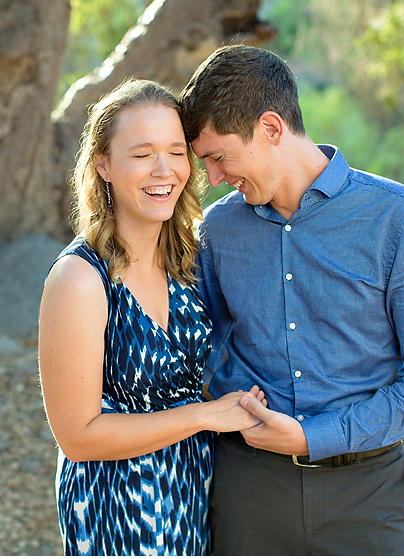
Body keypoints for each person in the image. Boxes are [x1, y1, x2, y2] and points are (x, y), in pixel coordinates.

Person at [178, 46, 404, 555]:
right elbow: (203, 342)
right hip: (248, 490)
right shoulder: (219, 230)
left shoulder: (395, 218)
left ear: (270, 127)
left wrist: (317, 437)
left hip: (370, 498)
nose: (214, 178)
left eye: (218, 157)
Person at [38, 79, 265, 556]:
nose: (164, 170)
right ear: (103, 165)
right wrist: (205, 415)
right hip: (118, 506)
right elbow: (77, 436)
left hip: (193, 490)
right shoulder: (80, 279)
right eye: (142, 154)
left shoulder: (193, 259)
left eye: (176, 152)